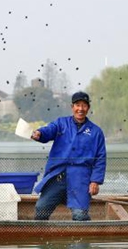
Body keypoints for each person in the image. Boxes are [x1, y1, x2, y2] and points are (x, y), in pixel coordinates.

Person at [31, 91, 106, 221]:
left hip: (80, 179)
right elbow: (49, 130)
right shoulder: (61, 123)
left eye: (84, 105)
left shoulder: (96, 132)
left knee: (80, 216)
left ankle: (84, 233)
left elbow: (100, 158)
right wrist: (39, 133)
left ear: (88, 108)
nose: (80, 109)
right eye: (77, 105)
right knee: (41, 209)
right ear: (72, 107)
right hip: (57, 177)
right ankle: (42, 234)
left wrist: (95, 181)